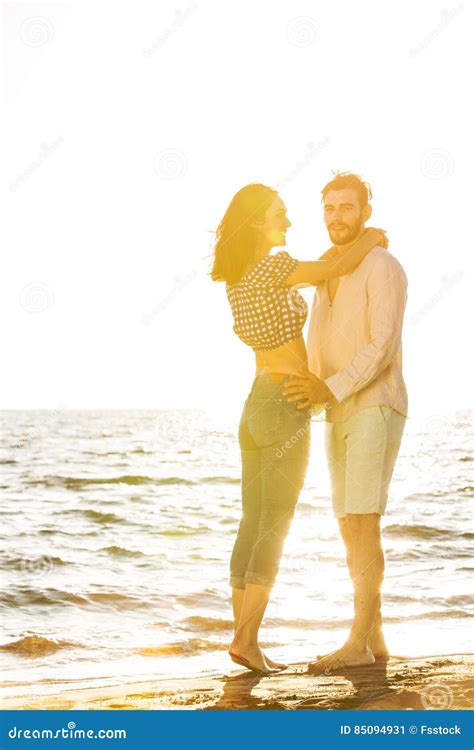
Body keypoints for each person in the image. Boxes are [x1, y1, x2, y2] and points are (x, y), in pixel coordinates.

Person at [211, 182, 388, 673]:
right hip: (285, 402)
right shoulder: (274, 266)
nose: (288, 223)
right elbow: (334, 267)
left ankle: (244, 640)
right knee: (276, 523)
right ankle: (247, 639)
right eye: (279, 215)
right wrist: (371, 237)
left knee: (252, 521)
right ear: (256, 223)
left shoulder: (237, 278)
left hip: (254, 403)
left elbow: (325, 266)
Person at [282, 173, 408, 671]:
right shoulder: (327, 272)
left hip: (376, 403)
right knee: (347, 525)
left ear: (366, 214)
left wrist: (327, 388)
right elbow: (319, 346)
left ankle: (357, 641)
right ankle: (373, 640)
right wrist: (311, 396)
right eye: (330, 207)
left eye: (347, 208)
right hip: (335, 410)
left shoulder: (383, 265)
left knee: (363, 522)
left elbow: (381, 346)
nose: (337, 216)